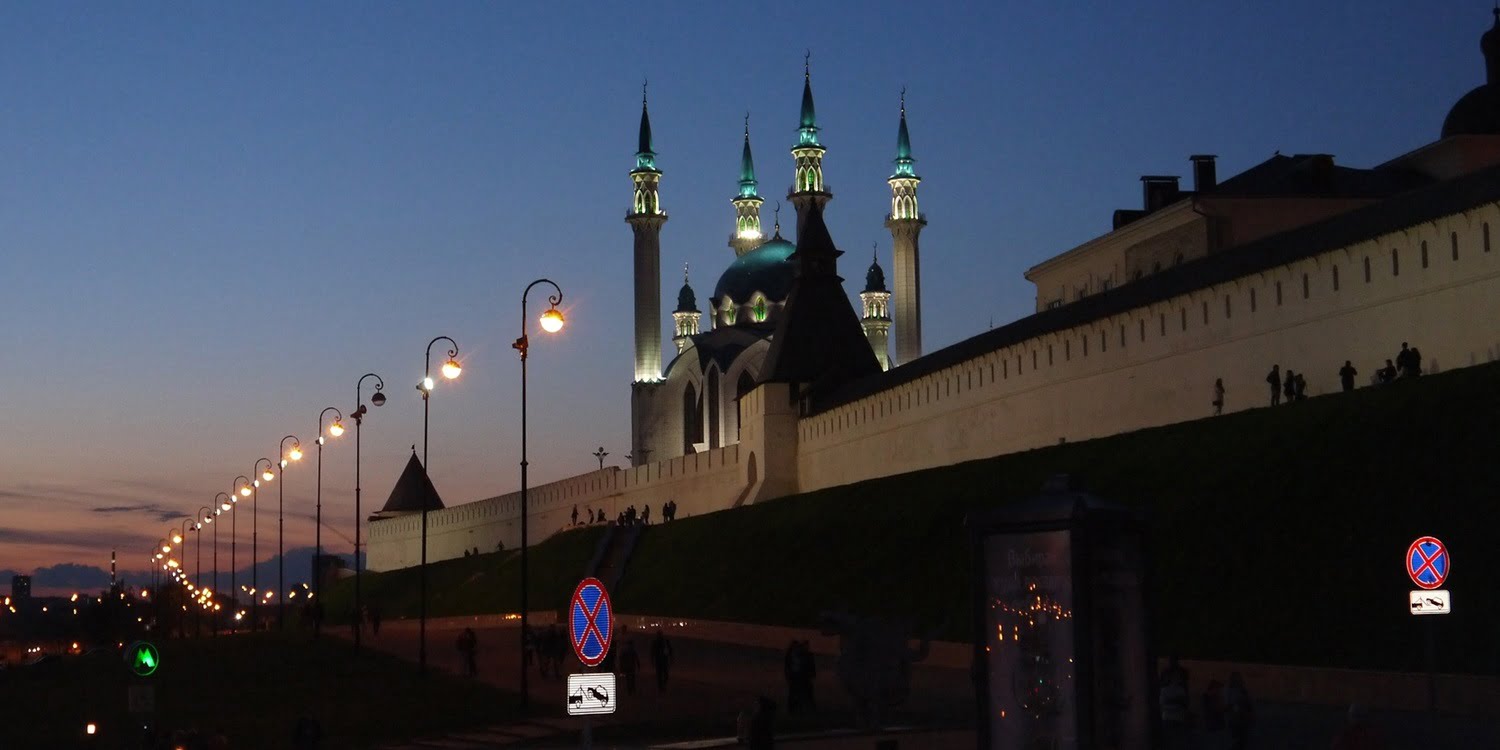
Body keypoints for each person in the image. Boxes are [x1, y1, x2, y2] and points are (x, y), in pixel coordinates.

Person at [1159, 670, 1190, 750]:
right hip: (1169, 718)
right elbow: (1163, 704)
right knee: (1170, 741)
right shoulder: (1165, 690)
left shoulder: (1181, 690)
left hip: (1178, 718)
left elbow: (1184, 704)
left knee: (1178, 741)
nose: (1177, 679)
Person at [1224, 671, 1254, 750]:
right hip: (1236, 719)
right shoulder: (1230, 691)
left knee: (1242, 741)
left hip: (1242, 719)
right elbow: (1229, 705)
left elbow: (1248, 704)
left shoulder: (1242, 690)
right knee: (1237, 741)